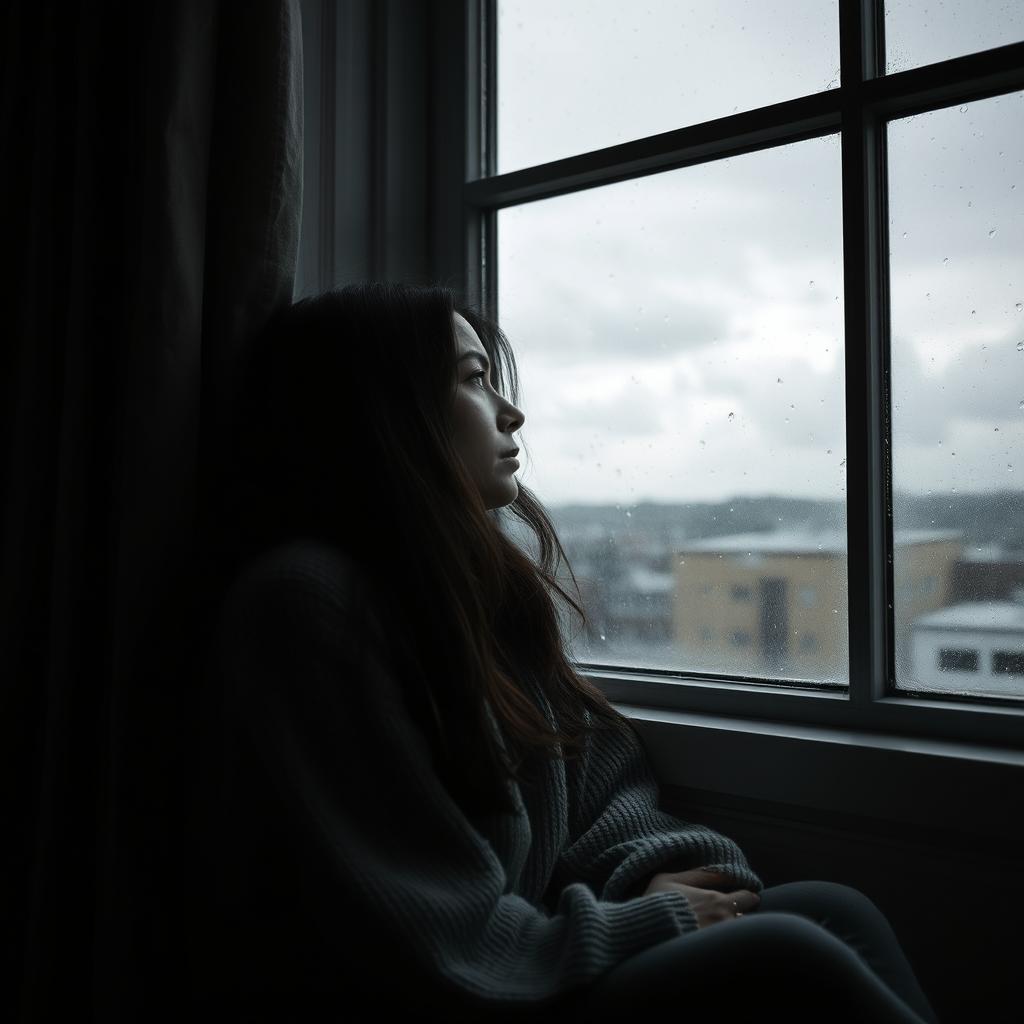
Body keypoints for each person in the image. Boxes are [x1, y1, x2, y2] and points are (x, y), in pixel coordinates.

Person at [185, 281, 941, 1023]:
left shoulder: (472, 594)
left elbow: (595, 778)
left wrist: (662, 873)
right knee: (784, 952)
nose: (512, 412)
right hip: (445, 991)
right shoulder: (304, 609)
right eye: (476, 380)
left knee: (834, 908)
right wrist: (648, 922)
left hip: (527, 949)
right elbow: (422, 940)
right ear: (381, 412)